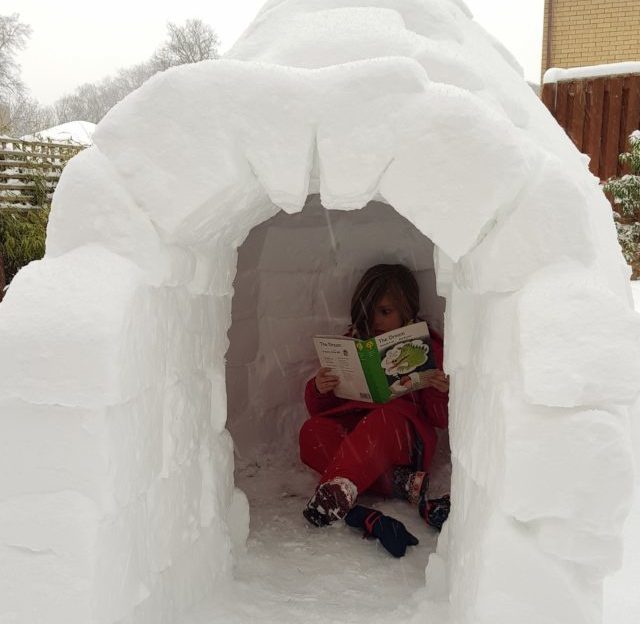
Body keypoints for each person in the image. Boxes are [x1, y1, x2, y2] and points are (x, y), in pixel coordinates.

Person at [300, 264, 451, 531]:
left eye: (385, 312)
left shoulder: (428, 347)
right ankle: (397, 482)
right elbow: (318, 411)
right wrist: (320, 388)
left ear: (407, 311)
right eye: (369, 313)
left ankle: (336, 491)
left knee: (383, 418)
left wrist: (439, 391)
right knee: (312, 432)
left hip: (403, 439)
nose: (376, 321)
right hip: (358, 434)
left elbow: (439, 420)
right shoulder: (353, 345)